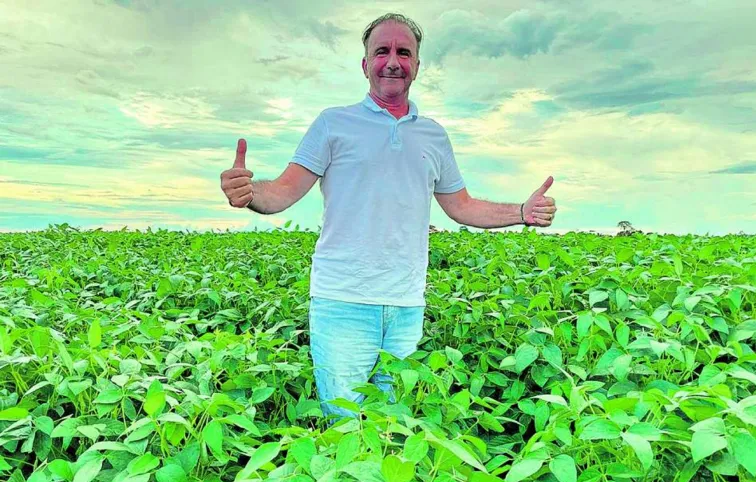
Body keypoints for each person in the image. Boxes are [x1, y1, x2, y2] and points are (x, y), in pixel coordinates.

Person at [219, 13, 558, 421]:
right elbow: (283, 193)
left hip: (406, 305)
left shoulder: (433, 135)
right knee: (345, 427)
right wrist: (249, 191)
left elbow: (461, 206)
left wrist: (521, 212)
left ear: (417, 65)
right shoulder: (333, 124)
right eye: (382, 51)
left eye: (403, 52)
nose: (392, 61)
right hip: (343, 302)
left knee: (395, 426)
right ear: (365, 65)